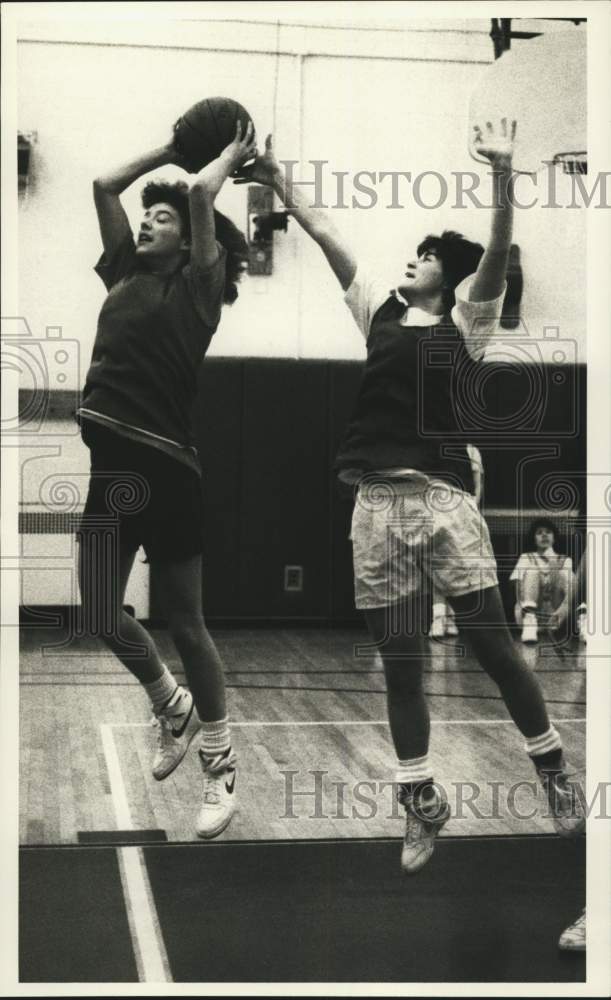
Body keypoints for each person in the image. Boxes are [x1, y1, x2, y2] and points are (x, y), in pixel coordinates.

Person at [236, 123, 584, 873]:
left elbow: (493, 255)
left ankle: (552, 769)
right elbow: (326, 234)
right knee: (400, 662)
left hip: (443, 496)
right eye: (416, 253)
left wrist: (501, 174)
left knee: (491, 644)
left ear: (447, 278)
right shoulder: (378, 311)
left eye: (427, 256)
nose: (413, 259)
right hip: (372, 503)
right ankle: (421, 802)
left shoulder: (467, 321)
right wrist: (276, 175)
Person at [76, 120, 256, 839]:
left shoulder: (198, 288)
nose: (148, 221)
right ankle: (170, 705)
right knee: (94, 611)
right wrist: (167, 154)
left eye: (162, 218)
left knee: (186, 621)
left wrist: (218, 162)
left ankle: (220, 766)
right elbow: (101, 184)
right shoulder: (123, 269)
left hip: (167, 466)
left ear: (188, 238)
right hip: (111, 463)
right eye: (147, 216)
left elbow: (203, 199)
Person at [430, 443, 483, 639]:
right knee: (437, 565)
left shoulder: (471, 450)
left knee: (455, 567)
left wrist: (467, 512)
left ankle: (451, 617)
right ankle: (438, 616)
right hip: (436, 511)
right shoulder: (434, 445)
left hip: (462, 515)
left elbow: (477, 486)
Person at [511, 518, 586, 645]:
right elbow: (516, 583)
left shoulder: (565, 559)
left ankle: (583, 620)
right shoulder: (526, 557)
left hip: (558, 616)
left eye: (548, 532)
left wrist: (552, 560)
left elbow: (571, 586)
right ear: (534, 539)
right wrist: (520, 606)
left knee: (566, 574)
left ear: (554, 538)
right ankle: (530, 621)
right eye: (539, 533)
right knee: (532, 571)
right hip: (530, 616)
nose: (544, 535)